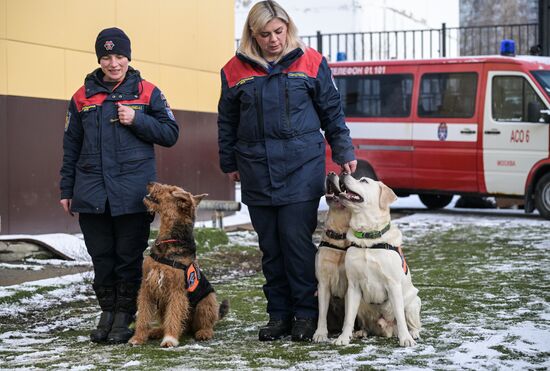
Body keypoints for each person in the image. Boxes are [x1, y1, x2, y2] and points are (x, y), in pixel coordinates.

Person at [217, 0, 356, 342]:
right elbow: (227, 122)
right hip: (256, 169)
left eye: (278, 31)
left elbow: (331, 112)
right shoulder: (233, 70)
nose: (273, 40)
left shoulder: (312, 62)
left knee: (295, 242)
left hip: (301, 167)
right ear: (253, 34)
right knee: (271, 247)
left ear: (288, 28)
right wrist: (229, 163)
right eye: (265, 34)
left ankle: (306, 315)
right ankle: (278, 315)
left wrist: (343, 150)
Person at [59, 27, 179, 344]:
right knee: (102, 259)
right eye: (107, 57)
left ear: (129, 57)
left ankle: (124, 317)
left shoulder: (148, 92)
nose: (114, 63)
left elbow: (170, 134)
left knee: (127, 259)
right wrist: (66, 190)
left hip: (133, 194)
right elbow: (70, 146)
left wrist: (137, 120)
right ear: (99, 59)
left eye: (120, 56)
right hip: (92, 192)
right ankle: (107, 314)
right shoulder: (80, 97)